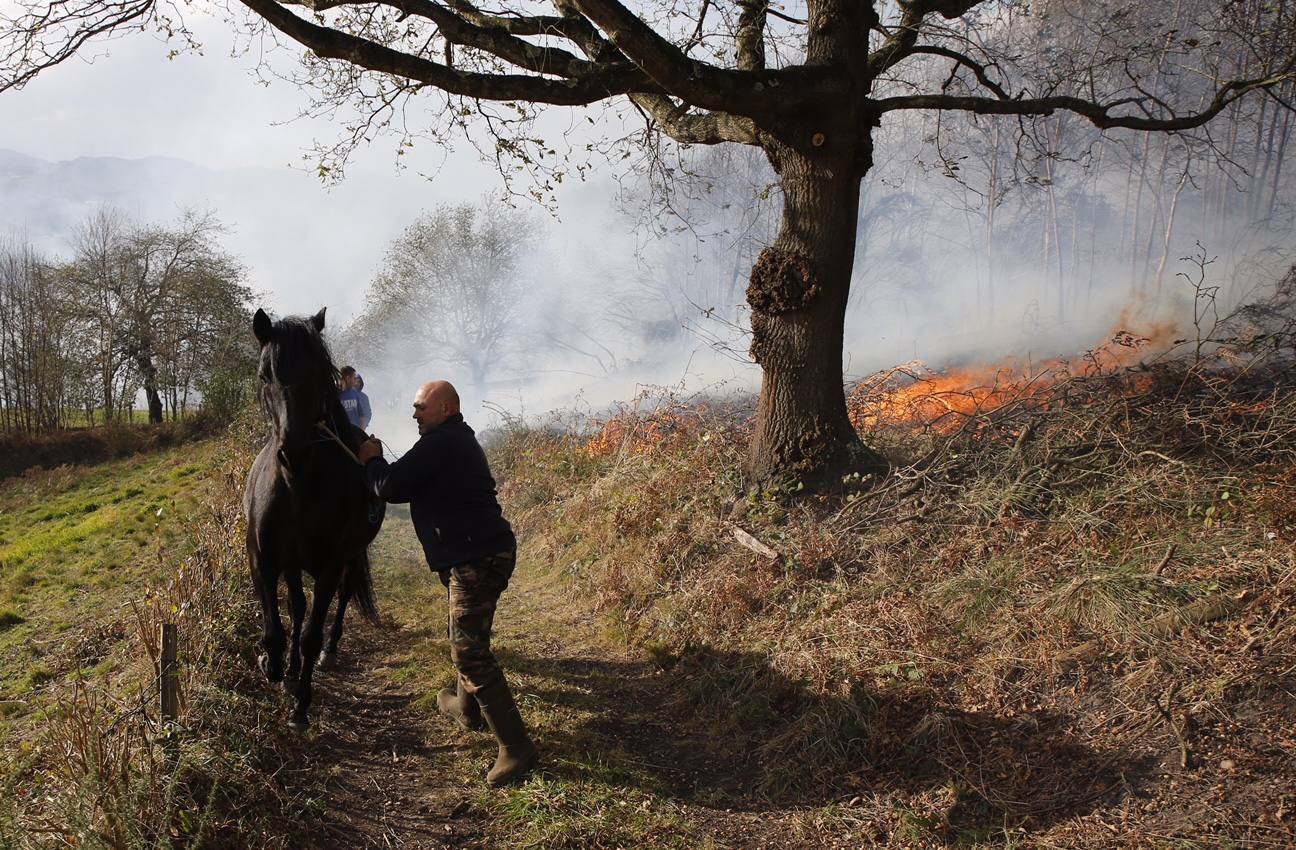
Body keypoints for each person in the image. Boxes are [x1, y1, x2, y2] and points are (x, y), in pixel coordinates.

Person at [356, 381, 537, 786]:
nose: (414, 414)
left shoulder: (441, 442)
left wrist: (371, 461)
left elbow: (390, 486)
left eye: (420, 407)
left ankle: (516, 746)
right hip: (482, 554)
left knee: (469, 653)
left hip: (477, 558)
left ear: (445, 407)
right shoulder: (450, 440)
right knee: (465, 633)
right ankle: (463, 706)